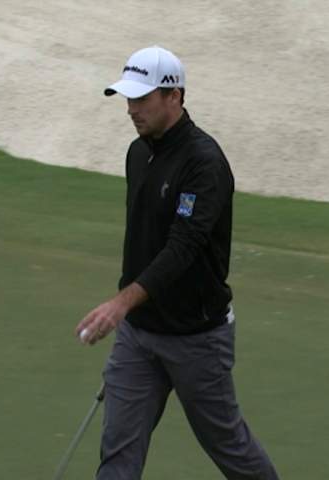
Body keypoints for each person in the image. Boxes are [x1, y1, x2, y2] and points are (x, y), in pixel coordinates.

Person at [74, 46, 279, 480]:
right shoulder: (137, 153)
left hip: (197, 337)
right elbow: (142, 243)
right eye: (128, 99)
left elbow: (182, 249)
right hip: (139, 337)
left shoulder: (204, 163)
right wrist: (129, 314)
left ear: (175, 96)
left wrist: (120, 304)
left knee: (229, 447)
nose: (132, 109)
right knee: (118, 455)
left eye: (142, 99)